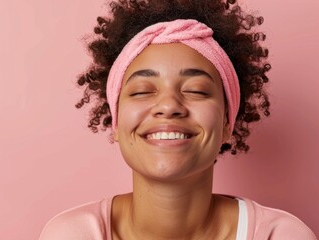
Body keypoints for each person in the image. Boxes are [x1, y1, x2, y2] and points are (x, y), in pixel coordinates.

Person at [40, 0, 317, 239]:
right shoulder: (73, 234)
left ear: (226, 123)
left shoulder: (279, 235)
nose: (169, 105)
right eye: (142, 91)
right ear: (116, 123)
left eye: (196, 90)